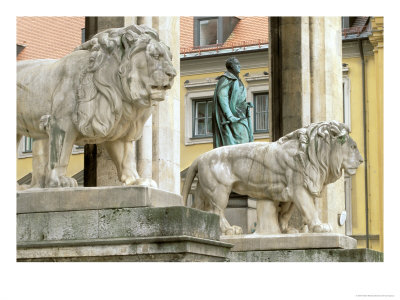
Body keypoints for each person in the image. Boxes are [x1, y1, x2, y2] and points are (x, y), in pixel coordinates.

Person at [212, 57, 254, 148]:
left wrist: (246, 105)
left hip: (241, 115)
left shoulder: (238, 80)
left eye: (239, 64)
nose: (239, 66)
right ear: (231, 66)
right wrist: (230, 116)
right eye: (237, 64)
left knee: (246, 140)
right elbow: (222, 97)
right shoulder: (226, 79)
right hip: (233, 117)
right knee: (241, 142)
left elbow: (237, 98)